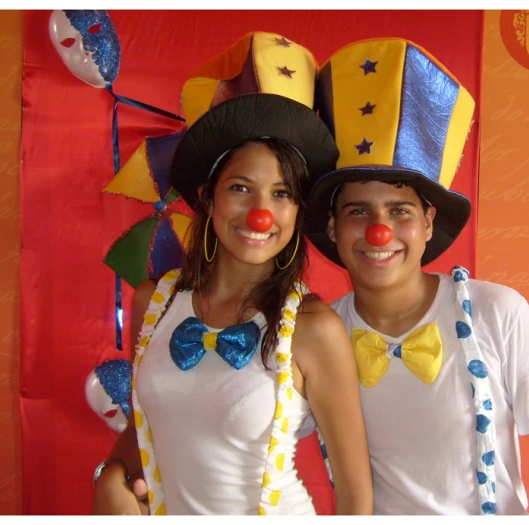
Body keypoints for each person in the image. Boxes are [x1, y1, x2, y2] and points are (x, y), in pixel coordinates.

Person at [304, 37, 529, 515]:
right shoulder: (318, 335)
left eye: (399, 210)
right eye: (358, 211)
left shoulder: (496, 311)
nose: (379, 231)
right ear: (332, 228)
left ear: (427, 223)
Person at [91, 32, 373, 515]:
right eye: (242, 187)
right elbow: (146, 429)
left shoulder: (313, 328)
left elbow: (355, 497)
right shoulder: (152, 303)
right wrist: (111, 477)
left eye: (282, 194)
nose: (261, 213)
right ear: (209, 197)